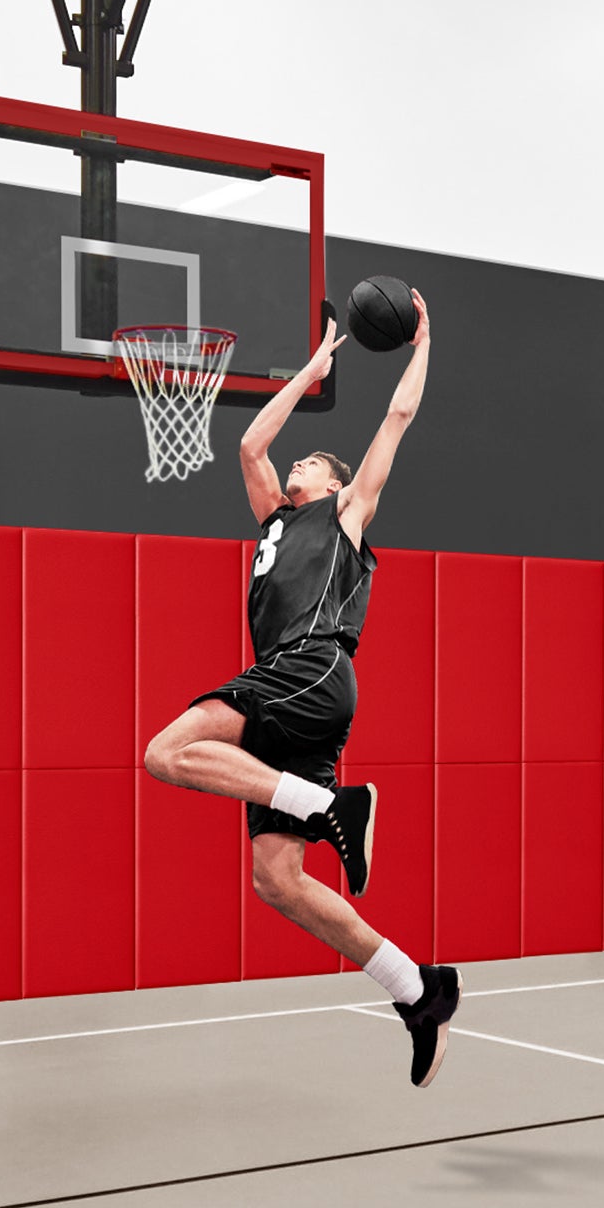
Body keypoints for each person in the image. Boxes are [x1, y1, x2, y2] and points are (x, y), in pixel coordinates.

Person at [141, 293, 462, 1085]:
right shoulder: (274, 521)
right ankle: (418, 992)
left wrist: (424, 342)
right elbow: (250, 445)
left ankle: (330, 807)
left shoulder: (346, 514)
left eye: (312, 462)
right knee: (276, 881)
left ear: (336, 482)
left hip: (311, 669)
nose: (297, 465)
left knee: (165, 751)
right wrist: (311, 370)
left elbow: (398, 418)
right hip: (294, 700)